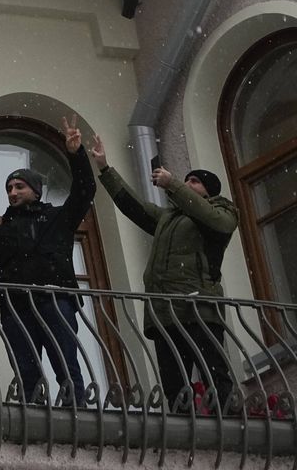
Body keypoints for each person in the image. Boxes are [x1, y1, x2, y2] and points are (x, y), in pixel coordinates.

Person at [88, 136, 238, 412]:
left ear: (209, 192)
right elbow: (132, 205)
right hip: (164, 311)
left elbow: (218, 223)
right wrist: (106, 169)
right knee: (174, 383)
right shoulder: (168, 218)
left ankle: (228, 424)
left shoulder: (222, 211)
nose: (188, 184)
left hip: (199, 307)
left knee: (214, 373)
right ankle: (186, 432)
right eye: (187, 180)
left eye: (195, 182)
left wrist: (174, 185)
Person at [0, 116, 95, 406]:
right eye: (9, 188)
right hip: (16, 304)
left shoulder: (58, 218)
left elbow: (85, 191)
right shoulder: (4, 229)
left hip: (55, 298)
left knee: (65, 361)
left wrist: (76, 154)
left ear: (35, 190)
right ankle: (32, 411)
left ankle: (76, 409)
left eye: (19, 186)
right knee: (25, 367)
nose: (12, 192)